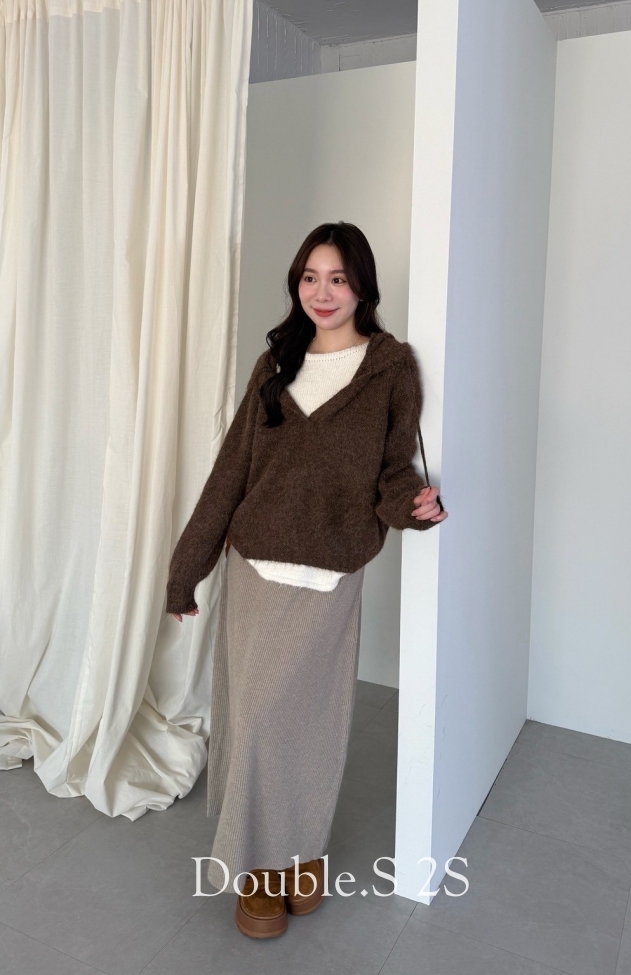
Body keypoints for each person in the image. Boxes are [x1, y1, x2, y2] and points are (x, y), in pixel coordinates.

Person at [165, 222, 448, 939]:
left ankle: (302, 851)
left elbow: (392, 473)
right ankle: (259, 869)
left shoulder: (390, 369)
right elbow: (231, 472)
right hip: (256, 568)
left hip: (330, 576)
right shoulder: (275, 364)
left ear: (362, 287)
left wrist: (415, 509)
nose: (322, 293)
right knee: (257, 720)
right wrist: (186, 569)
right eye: (310, 278)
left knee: (313, 726)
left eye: (338, 279)